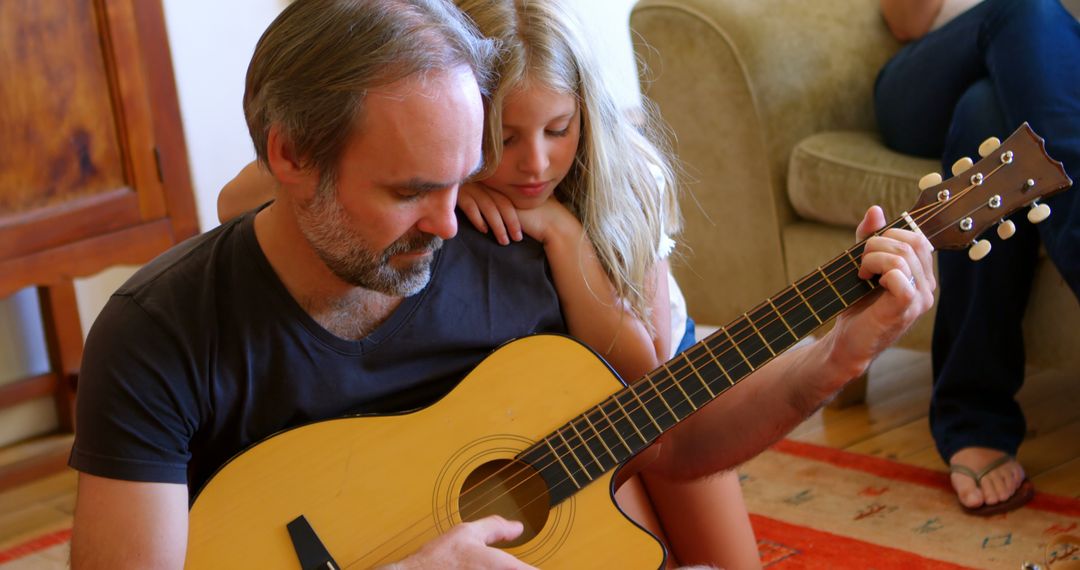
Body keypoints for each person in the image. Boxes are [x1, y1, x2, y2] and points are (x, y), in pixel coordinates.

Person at [68, 0, 936, 568]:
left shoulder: (515, 258)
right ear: (289, 155)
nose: (452, 225)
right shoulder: (160, 334)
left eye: (460, 179)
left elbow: (667, 445)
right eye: (410, 191)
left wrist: (837, 353)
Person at [219, 1, 760, 566]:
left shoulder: (629, 176)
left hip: (657, 381)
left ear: (585, 115)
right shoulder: (440, 187)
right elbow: (233, 201)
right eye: (501, 138)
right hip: (540, 412)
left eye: (559, 129)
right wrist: (447, 183)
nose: (536, 163)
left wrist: (563, 234)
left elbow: (643, 381)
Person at [874, 0, 1080, 516]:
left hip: (1049, 80)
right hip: (932, 75)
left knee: (986, 116)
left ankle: (974, 417)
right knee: (1027, 6)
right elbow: (906, 19)